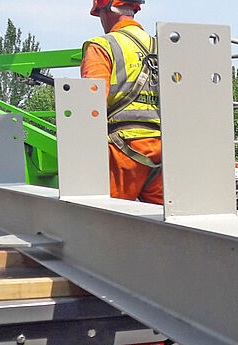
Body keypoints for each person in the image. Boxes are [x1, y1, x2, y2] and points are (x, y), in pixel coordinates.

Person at [83, 0, 162, 203]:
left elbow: (91, 105)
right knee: (164, 228)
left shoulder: (102, 46)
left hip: (122, 151)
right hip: (163, 151)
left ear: (107, 10)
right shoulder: (162, 47)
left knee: (107, 221)